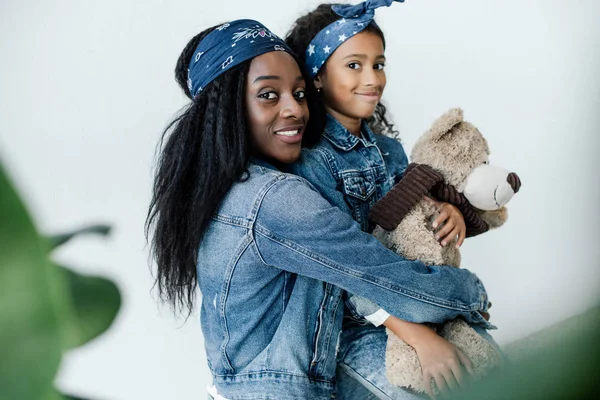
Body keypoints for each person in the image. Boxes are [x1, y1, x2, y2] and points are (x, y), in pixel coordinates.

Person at [146, 18, 491, 400]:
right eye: (268, 95)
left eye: (298, 93)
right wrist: (471, 296)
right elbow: (384, 277)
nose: (295, 109)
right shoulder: (273, 199)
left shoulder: (234, 187)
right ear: (227, 106)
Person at [285, 1, 499, 398]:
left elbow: (413, 226)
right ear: (316, 76)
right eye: (354, 65)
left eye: (378, 64)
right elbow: (343, 272)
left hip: (418, 300)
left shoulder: (390, 151)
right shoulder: (310, 162)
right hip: (357, 327)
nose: (372, 78)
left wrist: (449, 212)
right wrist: (420, 338)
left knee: (497, 376)